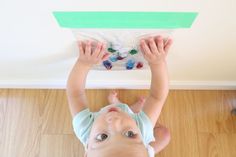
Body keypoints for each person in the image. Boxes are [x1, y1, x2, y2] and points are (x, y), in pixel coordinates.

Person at [66, 35, 173, 157]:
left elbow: (75, 94)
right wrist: (157, 62)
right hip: (138, 133)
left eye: (102, 137)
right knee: (164, 135)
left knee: (122, 111)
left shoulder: (84, 128)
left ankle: (119, 105)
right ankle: (131, 109)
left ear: (87, 151)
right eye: (130, 134)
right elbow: (156, 97)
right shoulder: (142, 128)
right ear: (143, 143)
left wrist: (83, 64)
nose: (114, 121)